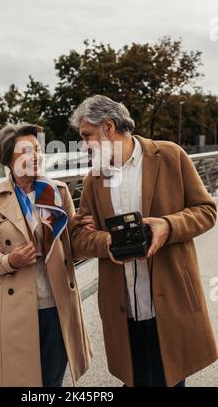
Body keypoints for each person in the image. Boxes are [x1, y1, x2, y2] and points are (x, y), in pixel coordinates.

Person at [70, 94, 217, 387]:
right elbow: (78, 238)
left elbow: (207, 210)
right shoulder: (93, 179)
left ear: (109, 127)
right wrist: (106, 242)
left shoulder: (170, 155)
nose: (84, 145)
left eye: (87, 136)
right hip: (123, 308)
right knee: (133, 380)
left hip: (170, 301)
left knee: (172, 379)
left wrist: (168, 225)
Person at [0, 123, 93, 387]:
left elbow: (73, 244)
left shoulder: (57, 191)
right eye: (26, 151)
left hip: (58, 303)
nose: (36, 156)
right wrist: (8, 261)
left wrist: (84, 230)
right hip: (15, 310)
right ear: (9, 159)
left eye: (38, 149)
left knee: (51, 383)